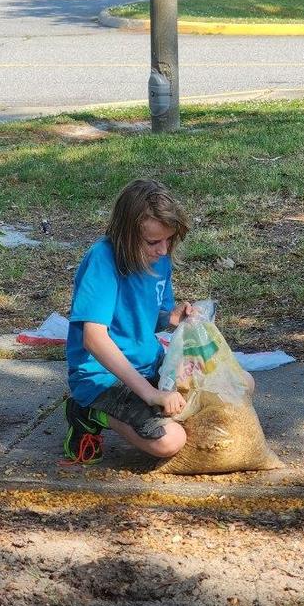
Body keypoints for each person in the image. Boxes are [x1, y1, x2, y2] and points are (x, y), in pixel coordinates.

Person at [61, 178, 194, 467]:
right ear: (126, 234)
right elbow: (93, 339)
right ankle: (88, 411)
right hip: (102, 377)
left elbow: (149, 317)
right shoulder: (102, 260)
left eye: (169, 240)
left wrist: (173, 318)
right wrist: (150, 393)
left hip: (148, 365)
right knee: (170, 439)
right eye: (153, 242)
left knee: (237, 385)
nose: (163, 250)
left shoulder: (160, 258)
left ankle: (136, 407)